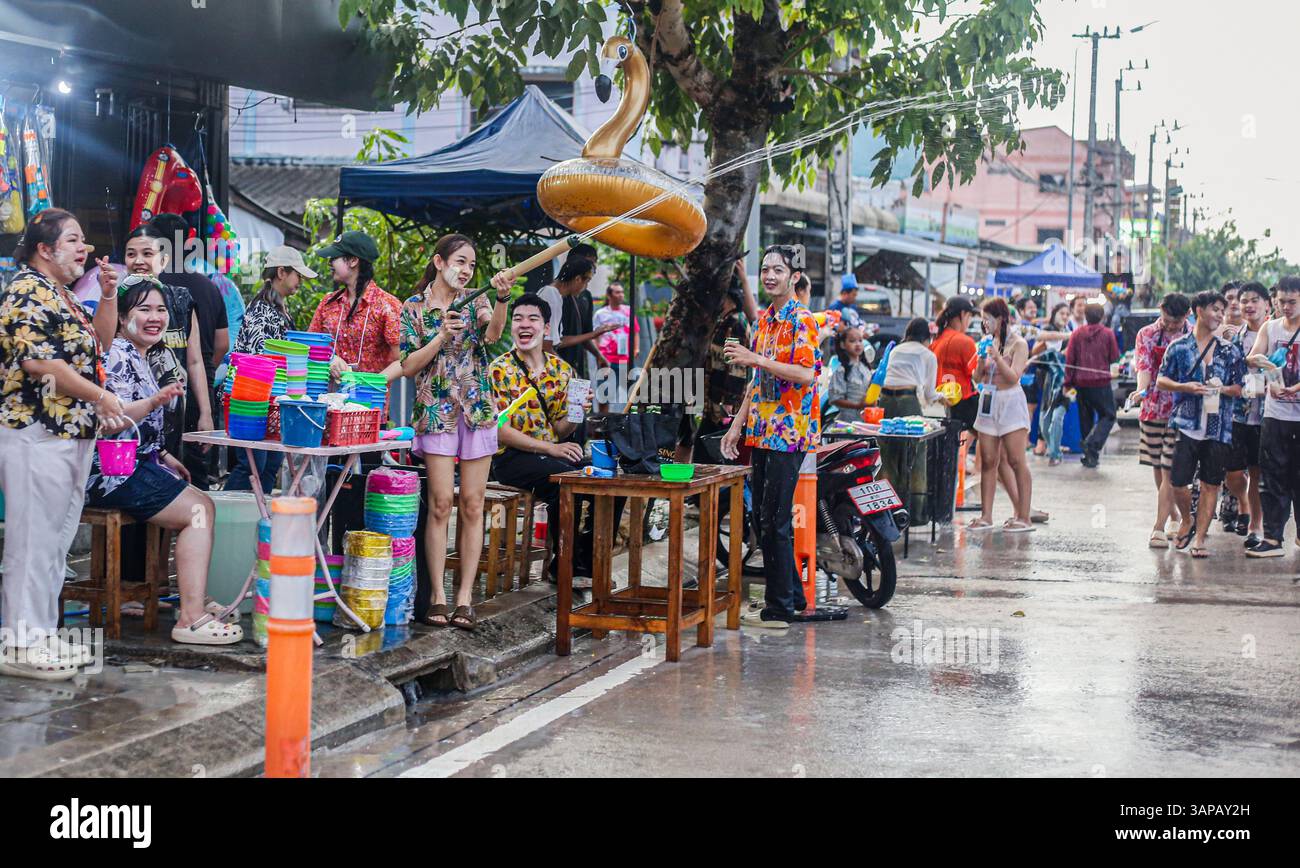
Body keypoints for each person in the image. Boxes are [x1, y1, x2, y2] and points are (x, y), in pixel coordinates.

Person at [0, 209, 127, 679]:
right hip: (35, 431)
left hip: (70, 433)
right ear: (44, 249)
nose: (85, 249)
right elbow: (41, 366)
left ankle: (41, 633)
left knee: (54, 542)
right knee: (31, 541)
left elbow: (100, 344)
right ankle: (18, 642)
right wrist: (101, 396)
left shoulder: (64, 296)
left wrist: (109, 295)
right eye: (73, 240)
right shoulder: (26, 290)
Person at [86, 279, 241, 644]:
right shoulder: (118, 354)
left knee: (202, 502)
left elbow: (138, 433)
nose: (155, 318)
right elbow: (114, 421)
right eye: (144, 310)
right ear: (122, 319)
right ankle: (190, 617)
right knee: (198, 511)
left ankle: (191, 602)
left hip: (135, 465)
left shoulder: (140, 354)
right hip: (112, 474)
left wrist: (166, 455)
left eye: (160, 310)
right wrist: (156, 402)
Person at [400, 235, 511, 630]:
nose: (466, 270)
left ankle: (464, 598)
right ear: (439, 261)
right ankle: (437, 596)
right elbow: (409, 364)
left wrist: (500, 299)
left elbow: (494, 334)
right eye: (460, 261)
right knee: (441, 502)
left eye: (472, 264)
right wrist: (441, 336)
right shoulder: (413, 308)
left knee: (473, 504)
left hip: (477, 409)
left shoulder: (477, 300)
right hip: (435, 410)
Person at [721, 245, 821, 629]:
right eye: (765, 269)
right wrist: (736, 427)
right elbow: (755, 382)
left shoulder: (803, 320)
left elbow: (805, 373)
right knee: (763, 519)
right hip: (762, 431)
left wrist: (756, 359)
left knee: (775, 520)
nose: (769, 276)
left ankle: (779, 608)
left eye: (777, 270)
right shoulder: (766, 319)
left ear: (794, 277)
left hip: (789, 434)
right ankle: (792, 596)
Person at [489, 294, 614, 585]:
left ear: (546, 328)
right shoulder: (499, 370)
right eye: (518, 318)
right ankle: (566, 563)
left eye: (532, 319)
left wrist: (577, 413)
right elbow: (497, 429)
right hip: (511, 458)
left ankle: (589, 559)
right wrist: (551, 447)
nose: (524, 324)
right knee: (568, 481)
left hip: (550, 455)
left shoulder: (562, 371)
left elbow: (560, 430)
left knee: (605, 478)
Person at [1157, 290, 1246, 558]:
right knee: (1178, 482)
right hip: (1186, 423)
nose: (1220, 314)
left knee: (1211, 483)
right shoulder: (1179, 347)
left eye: (1222, 310)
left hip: (1219, 427)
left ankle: (1200, 539)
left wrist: (1221, 389)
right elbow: (1161, 380)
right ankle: (1187, 518)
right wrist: (1185, 386)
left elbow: (1240, 387)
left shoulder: (1230, 351)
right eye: (1215, 309)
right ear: (1198, 311)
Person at [225, 246, 318, 493]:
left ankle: (258, 520)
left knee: (269, 466)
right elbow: (257, 362)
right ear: (281, 272)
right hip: (251, 402)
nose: (300, 281)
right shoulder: (262, 312)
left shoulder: (280, 310)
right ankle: (224, 519)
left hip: (272, 401)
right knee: (252, 465)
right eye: (297, 275)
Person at [150, 213, 229, 489]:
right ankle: (194, 525)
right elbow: (222, 344)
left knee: (156, 466)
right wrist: (203, 369)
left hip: (160, 391)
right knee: (195, 471)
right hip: (199, 392)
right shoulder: (209, 287)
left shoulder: (151, 287)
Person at [1244, 276, 1300, 558]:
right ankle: (1273, 538)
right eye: (1281, 302)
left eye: (1292, 302)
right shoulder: (1271, 326)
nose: (1286, 307)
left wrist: (1294, 387)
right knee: (1272, 476)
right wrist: (1268, 371)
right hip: (1276, 415)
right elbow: (1253, 357)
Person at [1130, 292, 1192, 547]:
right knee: (1158, 465)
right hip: (1153, 407)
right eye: (1166, 319)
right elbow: (1144, 368)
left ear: (1187, 315)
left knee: (1169, 468)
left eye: (1174, 322)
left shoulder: (1193, 336)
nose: (1169, 325)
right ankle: (1173, 515)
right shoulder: (1146, 334)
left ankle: (1158, 527)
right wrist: (1140, 391)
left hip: (1182, 410)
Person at [968, 297, 1034, 532]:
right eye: (983, 320)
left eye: (988, 319)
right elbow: (977, 378)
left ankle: (1023, 516)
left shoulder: (1019, 344)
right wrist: (980, 361)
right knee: (988, 460)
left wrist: (996, 357)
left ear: (1001, 319)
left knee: (1016, 460)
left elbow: (1014, 376)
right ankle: (986, 516)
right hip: (988, 401)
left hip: (1010, 403)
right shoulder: (987, 342)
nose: (985, 324)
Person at [877, 317, 949, 523]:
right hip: (908, 401)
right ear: (927, 337)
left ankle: (886, 512)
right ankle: (915, 514)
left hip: (884, 401)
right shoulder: (928, 354)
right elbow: (928, 393)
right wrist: (942, 398)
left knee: (887, 455)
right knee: (915, 456)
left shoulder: (896, 350)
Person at [309, 230, 403, 379]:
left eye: (334, 257)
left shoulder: (387, 305)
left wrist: (370, 384)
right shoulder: (327, 303)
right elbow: (310, 345)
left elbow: (403, 359)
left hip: (369, 400)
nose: (329, 263)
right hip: (327, 398)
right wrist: (330, 357)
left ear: (353, 261)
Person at [1222, 282, 1269, 544]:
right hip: (1237, 414)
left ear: (1266, 304)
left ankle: (1255, 525)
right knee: (1233, 473)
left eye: (1254, 300)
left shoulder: (1274, 334)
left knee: (1258, 471)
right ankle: (1242, 501)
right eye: (1244, 301)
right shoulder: (1234, 339)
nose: (1248, 306)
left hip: (1265, 414)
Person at [1065, 303, 1120, 468]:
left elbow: (1070, 361)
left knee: (1085, 419)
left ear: (1085, 316)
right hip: (1100, 382)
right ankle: (1092, 443)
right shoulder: (1108, 334)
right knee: (1109, 415)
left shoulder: (1076, 334)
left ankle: (1090, 455)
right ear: (1102, 316)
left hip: (1080, 383)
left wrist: (1067, 383)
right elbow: (1114, 357)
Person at [699, 274, 752, 441]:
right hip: (714, 398)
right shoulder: (724, 320)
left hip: (725, 404)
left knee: (716, 451)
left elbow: (737, 367)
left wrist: (728, 402)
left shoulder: (735, 323)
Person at [1035, 302, 1072, 465]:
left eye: (1067, 314)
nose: (1064, 317)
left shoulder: (1070, 332)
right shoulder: (1048, 330)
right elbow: (1034, 350)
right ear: (1054, 313)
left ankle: (1055, 454)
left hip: (1066, 381)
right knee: (1044, 423)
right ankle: (1053, 448)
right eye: (1061, 313)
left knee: (1057, 418)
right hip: (1049, 382)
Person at [592, 279, 637, 409]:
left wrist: (636, 349)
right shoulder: (600, 314)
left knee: (632, 395)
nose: (621, 295)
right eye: (617, 292)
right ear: (609, 295)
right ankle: (604, 424)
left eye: (622, 292)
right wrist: (598, 356)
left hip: (626, 360)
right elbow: (596, 336)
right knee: (604, 395)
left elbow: (636, 331)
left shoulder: (629, 311)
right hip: (607, 359)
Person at [828, 326, 872, 423]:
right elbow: (835, 399)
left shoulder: (866, 369)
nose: (858, 344)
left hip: (867, 421)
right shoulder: (841, 371)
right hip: (848, 422)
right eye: (852, 341)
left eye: (860, 341)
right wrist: (857, 406)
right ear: (843, 345)